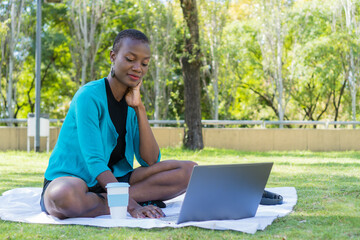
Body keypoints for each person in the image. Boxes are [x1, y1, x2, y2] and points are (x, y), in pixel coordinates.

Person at [40, 29, 197, 219]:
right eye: (130, 59)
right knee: (62, 197)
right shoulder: (88, 96)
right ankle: (116, 202)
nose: (138, 67)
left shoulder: (132, 102)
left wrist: (139, 109)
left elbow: (150, 160)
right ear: (113, 56)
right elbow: (95, 162)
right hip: (75, 179)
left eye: (144, 63)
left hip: (117, 179)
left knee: (191, 172)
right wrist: (131, 206)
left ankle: (99, 201)